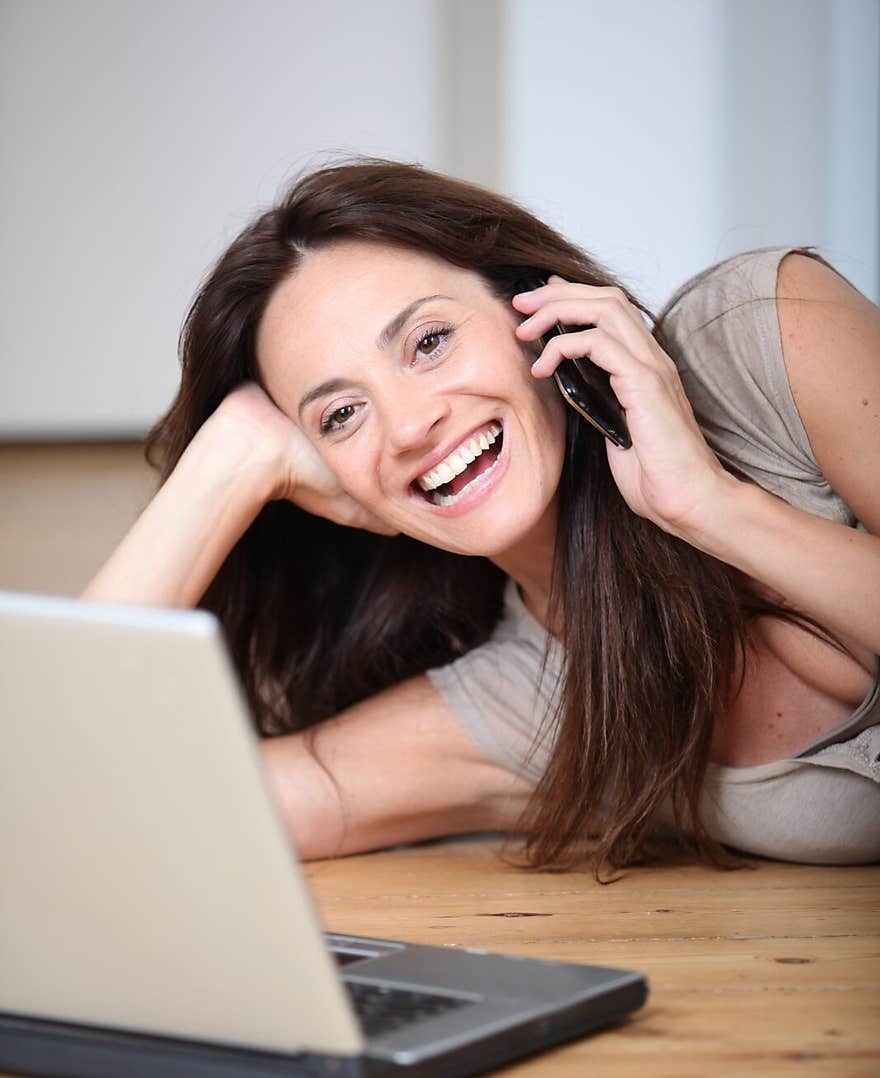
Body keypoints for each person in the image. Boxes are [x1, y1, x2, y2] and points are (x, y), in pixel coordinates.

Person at [82, 157, 880, 874]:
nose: (407, 426)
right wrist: (228, 462)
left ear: (532, 307)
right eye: (341, 416)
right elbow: (72, 795)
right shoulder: (523, 709)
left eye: (429, 341)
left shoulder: (756, 337)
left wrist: (709, 507)